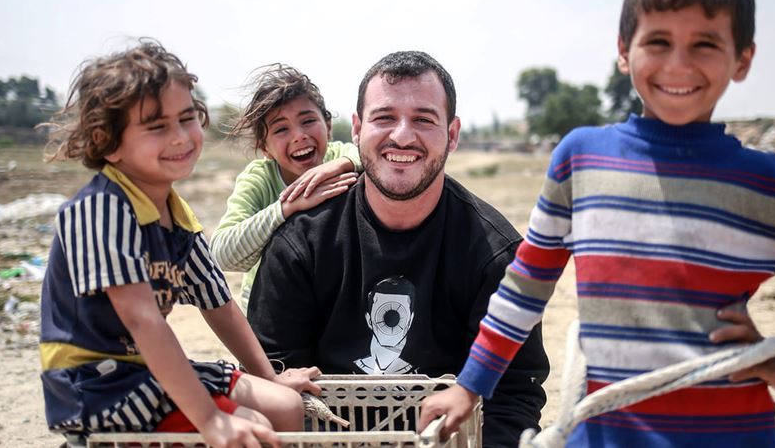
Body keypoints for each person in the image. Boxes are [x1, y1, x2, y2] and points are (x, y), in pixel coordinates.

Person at [420, 0, 775, 447]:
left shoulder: (767, 183)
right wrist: (470, 385)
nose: (678, 64)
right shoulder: (580, 160)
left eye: (705, 44)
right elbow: (525, 288)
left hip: (731, 435)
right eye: (658, 42)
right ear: (624, 51)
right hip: (607, 434)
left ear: (742, 59)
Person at [246, 50, 549, 447]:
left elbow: (513, 394)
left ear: (452, 134)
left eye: (423, 119)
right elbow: (272, 379)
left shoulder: (495, 253)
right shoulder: (300, 244)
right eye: (384, 117)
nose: (403, 136)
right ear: (357, 129)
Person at [38, 40, 320, 448]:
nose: (180, 137)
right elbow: (143, 321)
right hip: (96, 383)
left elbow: (219, 304)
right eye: (157, 126)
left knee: (285, 404)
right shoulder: (101, 209)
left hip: (145, 371)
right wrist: (210, 419)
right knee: (253, 425)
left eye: (187, 119)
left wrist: (270, 377)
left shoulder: (176, 213)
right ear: (108, 141)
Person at [211, 64, 359, 312]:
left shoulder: (341, 157)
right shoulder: (259, 179)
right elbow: (221, 254)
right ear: (265, 148)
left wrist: (342, 165)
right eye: (281, 129)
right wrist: (287, 207)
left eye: (308, 121)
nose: (299, 135)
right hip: (270, 307)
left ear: (328, 126)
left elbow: (371, 156)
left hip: (331, 304)